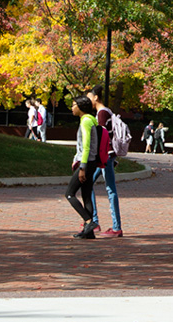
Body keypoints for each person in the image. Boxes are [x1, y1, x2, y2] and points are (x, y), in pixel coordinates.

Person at [87, 85, 126, 237]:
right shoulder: (105, 112)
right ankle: (94, 221)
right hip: (107, 156)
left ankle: (116, 227)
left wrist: (98, 157)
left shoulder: (102, 113)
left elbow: (102, 138)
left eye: (89, 97)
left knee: (111, 190)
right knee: (88, 183)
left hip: (105, 156)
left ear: (96, 97)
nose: (88, 100)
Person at [65, 95, 100, 239]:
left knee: (69, 194)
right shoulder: (91, 119)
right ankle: (89, 232)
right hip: (92, 162)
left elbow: (86, 147)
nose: (72, 108)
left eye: (74, 105)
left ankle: (89, 222)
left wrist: (82, 167)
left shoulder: (85, 121)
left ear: (80, 107)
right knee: (86, 195)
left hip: (87, 163)